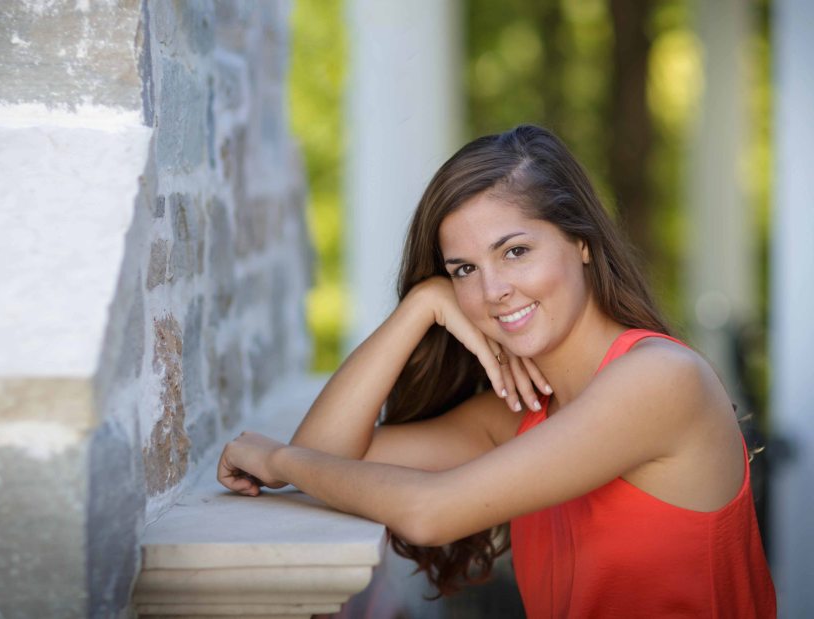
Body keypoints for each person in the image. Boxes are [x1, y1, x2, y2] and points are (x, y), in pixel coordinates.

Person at [217, 125, 776, 617]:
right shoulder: (517, 417)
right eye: (464, 269)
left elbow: (428, 512)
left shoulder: (662, 379)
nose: (492, 291)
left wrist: (278, 459)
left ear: (582, 242)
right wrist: (422, 305)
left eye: (514, 252)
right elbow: (325, 454)